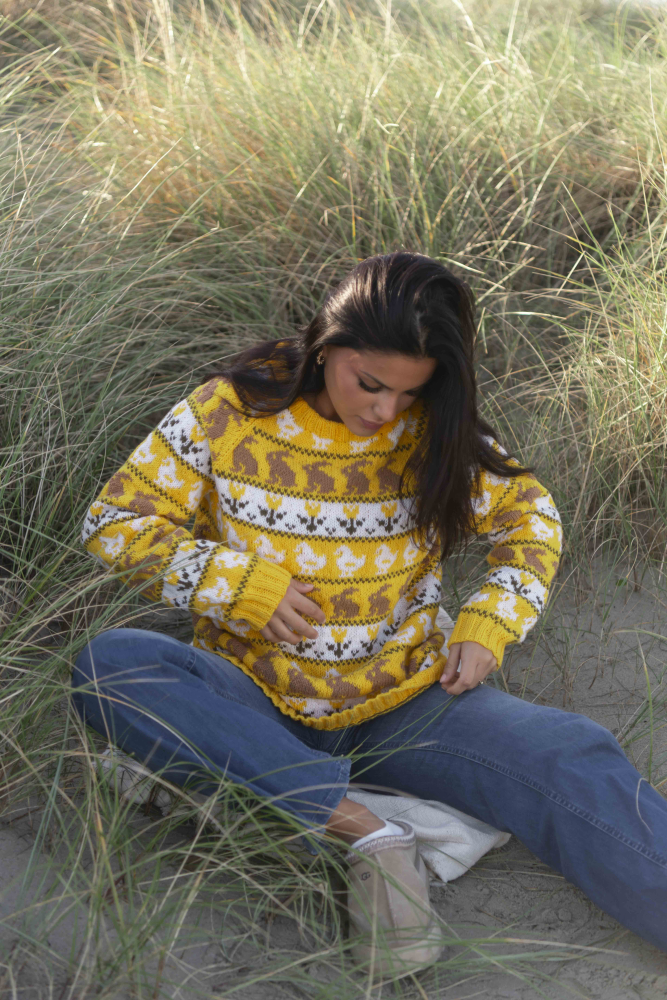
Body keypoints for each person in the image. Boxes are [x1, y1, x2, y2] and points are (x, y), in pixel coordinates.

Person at [72, 252, 667, 976]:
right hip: (250, 698)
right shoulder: (228, 411)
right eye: (371, 384)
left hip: (404, 702)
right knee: (113, 666)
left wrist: (490, 622)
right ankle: (367, 832)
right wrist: (237, 584)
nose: (385, 411)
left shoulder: (432, 428)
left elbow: (531, 520)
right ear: (328, 347)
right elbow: (114, 523)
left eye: (409, 392)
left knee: (570, 751)